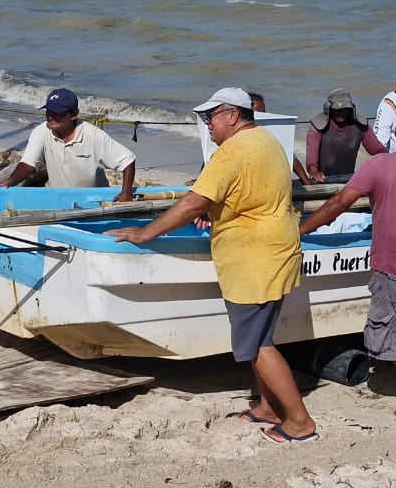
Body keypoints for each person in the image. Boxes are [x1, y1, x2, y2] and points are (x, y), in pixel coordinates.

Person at [106, 87, 316, 443]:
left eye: (211, 116)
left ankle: (300, 422)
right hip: (277, 248)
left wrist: (145, 233)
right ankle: (267, 405)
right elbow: (244, 193)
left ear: (233, 115)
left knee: (256, 345)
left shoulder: (231, 152)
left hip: (253, 258)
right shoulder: (268, 141)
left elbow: (191, 203)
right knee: (262, 336)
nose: (207, 124)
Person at [299, 108, 396, 420]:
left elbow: (338, 203)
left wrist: (299, 229)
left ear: (395, 135)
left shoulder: (379, 166)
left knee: (389, 336)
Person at [0, 88, 137, 202]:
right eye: (48, 111)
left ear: (74, 114)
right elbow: (28, 164)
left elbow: (128, 160)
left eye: (58, 113)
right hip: (56, 200)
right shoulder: (41, 132)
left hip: (92, 201)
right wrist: (8, 182)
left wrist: (126, 193)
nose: (50, 117)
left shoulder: (93, 135)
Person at [304, 87, 387, 182]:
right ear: (329, 109)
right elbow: (311, 161)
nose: (341, 113)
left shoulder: (360, 125)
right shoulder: (318, 125)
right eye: (337, 110)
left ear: (351, 109)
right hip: (323, 179)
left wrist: (391, 165)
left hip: (349, 179)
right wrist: (314, 172)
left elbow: (379, 151)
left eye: (344, 109)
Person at [249, 91, 312, 185]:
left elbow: (290, 156)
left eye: (264, 112)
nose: (263, 116)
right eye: (259, 113)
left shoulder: (271, 130)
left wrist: (307, 183)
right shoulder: (235, 133)